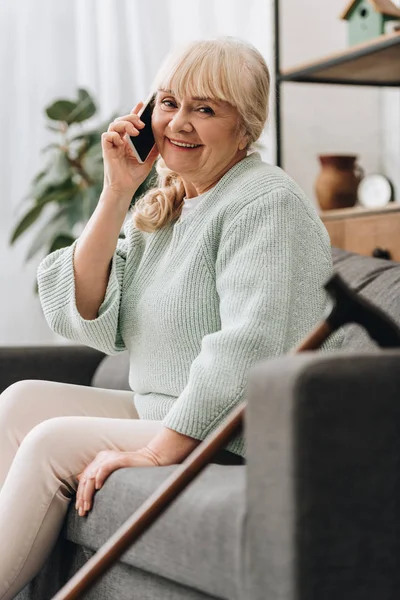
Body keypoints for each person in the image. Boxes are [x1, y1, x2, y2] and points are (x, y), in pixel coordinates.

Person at [0, 36, 343, 598]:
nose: (179, 123)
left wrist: (158, 451)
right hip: (167, 408)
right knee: (20, 402)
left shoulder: (265, 202)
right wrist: (116, 191)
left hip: (239, 431)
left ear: (245, 127)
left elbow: (247, 346)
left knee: (50, 442)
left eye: (205, 109)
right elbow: (83, 314)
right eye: (169, 103)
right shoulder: (171, 200)